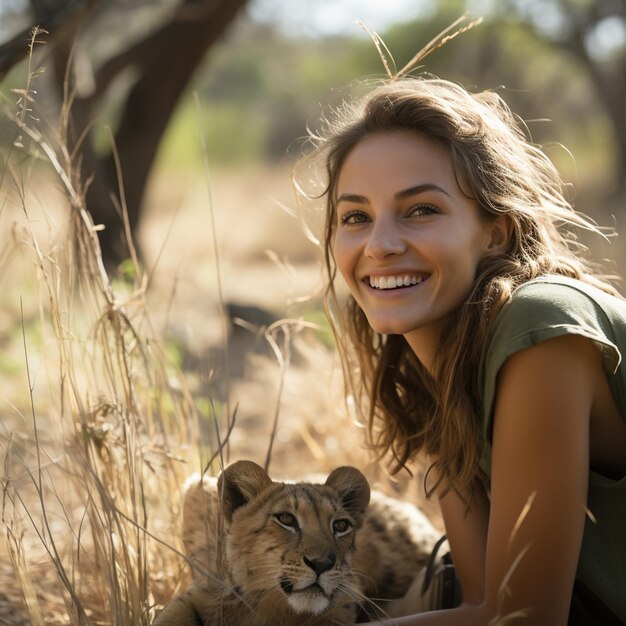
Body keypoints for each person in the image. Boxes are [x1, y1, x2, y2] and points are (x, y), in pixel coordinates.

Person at [305, 77, 626, 625]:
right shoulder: (443, 362)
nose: (380, 245)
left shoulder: (540, 325)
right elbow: (483, 603)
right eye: (355, 216)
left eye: (421, 210)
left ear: (495, 234)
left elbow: (524, 618)